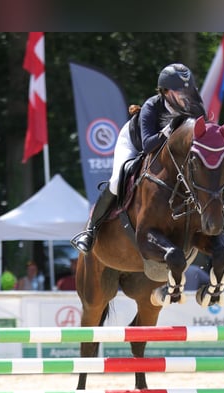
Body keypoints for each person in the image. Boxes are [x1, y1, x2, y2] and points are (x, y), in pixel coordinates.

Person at [71, 63, 206, 254]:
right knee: (117, 181)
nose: (185, 95)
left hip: (172, 152)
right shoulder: (152, 106)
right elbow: (148, 145)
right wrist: (169, 129)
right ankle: (91, 231)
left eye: (188, 90)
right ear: (166, 91)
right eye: (179, 91)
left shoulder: (195, 105)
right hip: (135, 143)